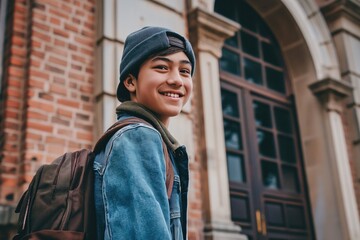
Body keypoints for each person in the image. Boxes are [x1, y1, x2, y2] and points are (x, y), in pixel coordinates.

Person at [93, 26, 196, 240]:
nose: (177, 80)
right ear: (130, 82)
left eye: (184, 71)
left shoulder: (152, 139)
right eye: (161, 67)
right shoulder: (137, 137)